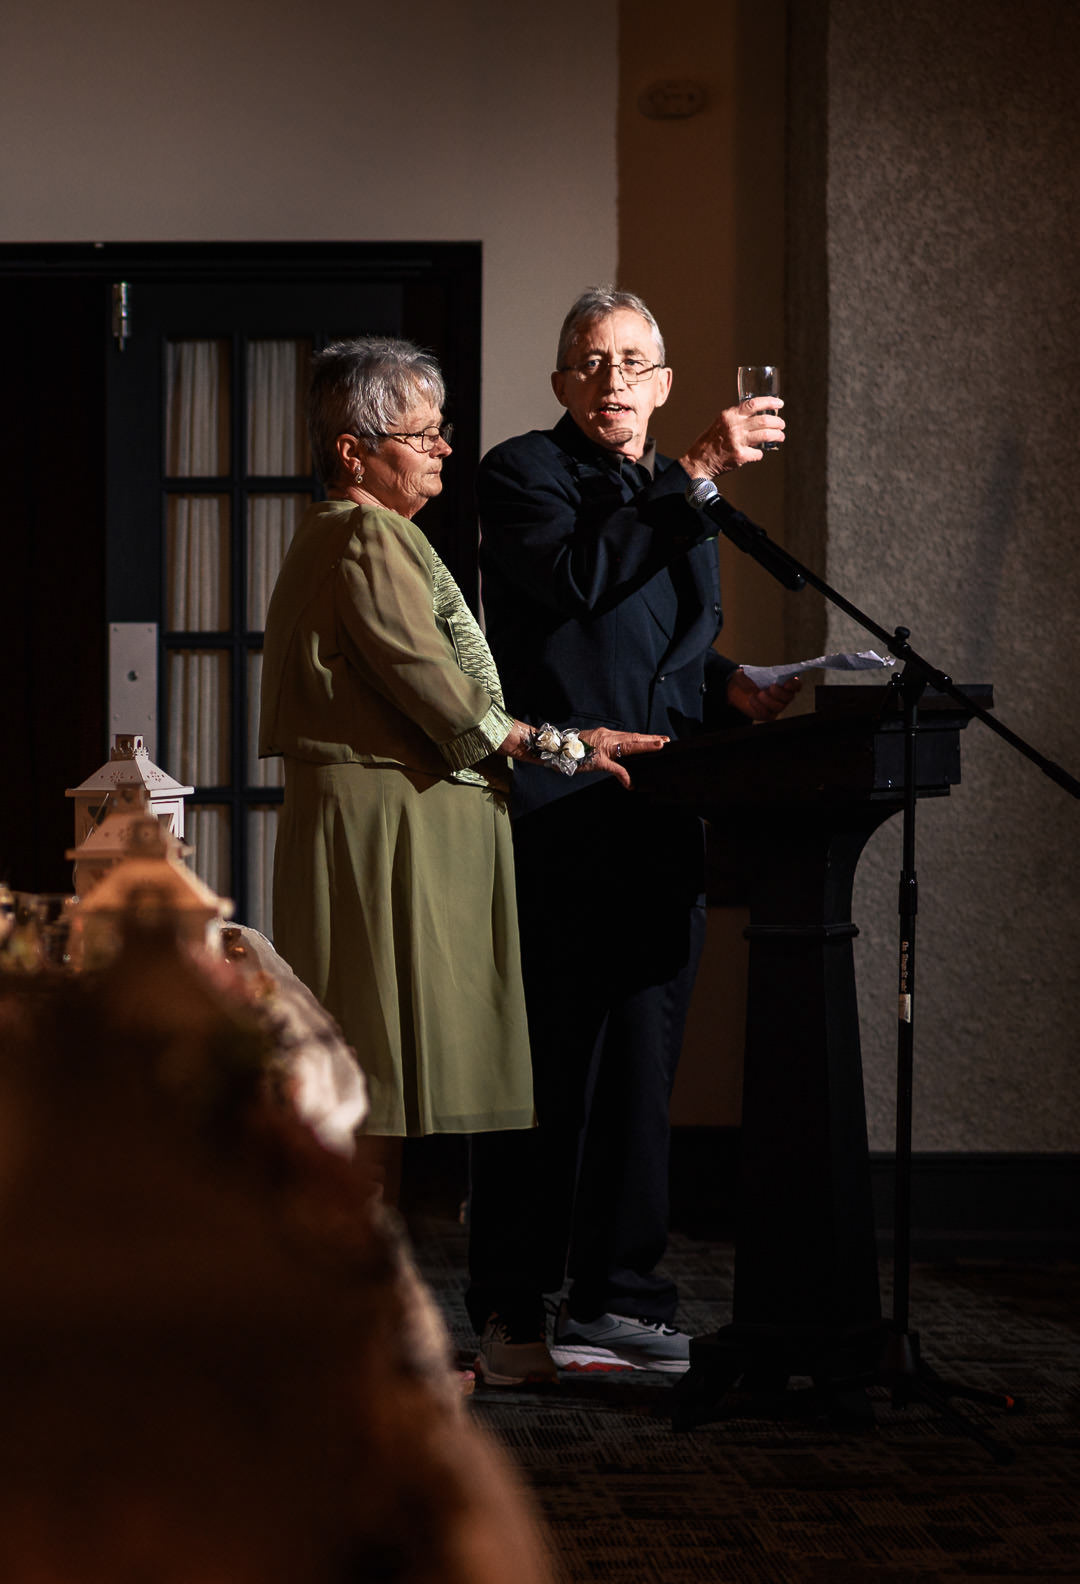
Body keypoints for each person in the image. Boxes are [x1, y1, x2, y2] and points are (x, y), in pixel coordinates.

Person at [464, 287, 798, 1386]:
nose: (613, 379)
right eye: (592, 360)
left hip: (660, 814)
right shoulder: (522, 476)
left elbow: (648, 643)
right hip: (560, 815)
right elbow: (575, 583)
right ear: (563, 382)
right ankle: (515, 1300)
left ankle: (623, 1297)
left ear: (660, 380)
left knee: (642, 1067)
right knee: (547, 1068)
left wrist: (729, 681)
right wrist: (697, 468)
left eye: (634, 360)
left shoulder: (667, 490)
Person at [257, 338, 661, 1201]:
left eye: (442, 429)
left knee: (375, 1086)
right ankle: (354, 1315)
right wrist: (564, 745)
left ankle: (368, 1306)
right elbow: (437, 690)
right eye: (423, 432)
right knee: (363, 1083)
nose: (445, 447)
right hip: (381, 832)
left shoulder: (362, 533)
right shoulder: (365, 534)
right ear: (352, 451)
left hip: (388, 821)